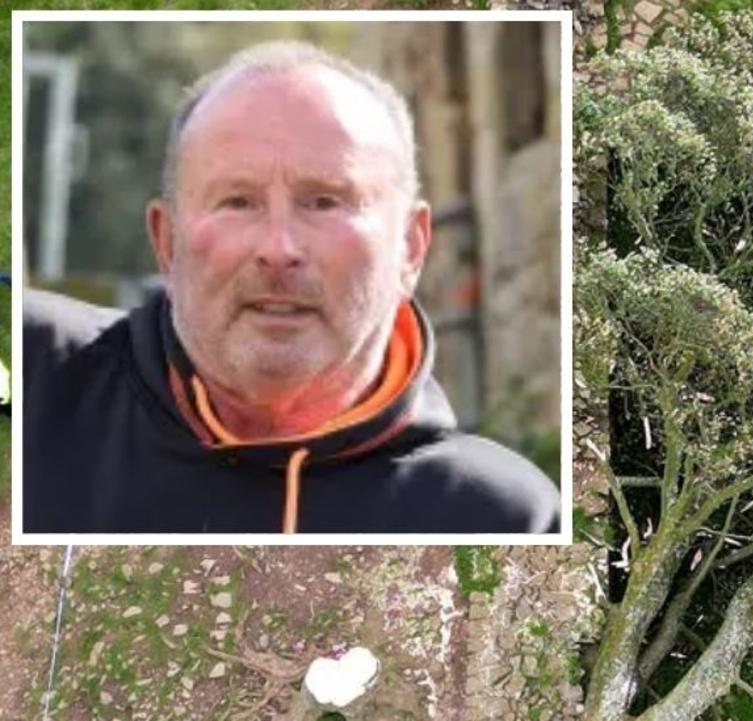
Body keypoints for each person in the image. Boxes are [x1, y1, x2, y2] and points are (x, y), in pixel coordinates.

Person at [23, 41, 560, 534]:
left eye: (325, 201)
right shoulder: (35, 379)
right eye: (237, 201)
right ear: (166, 242)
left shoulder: (500, 517)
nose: (279, 249)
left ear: (411, 248)